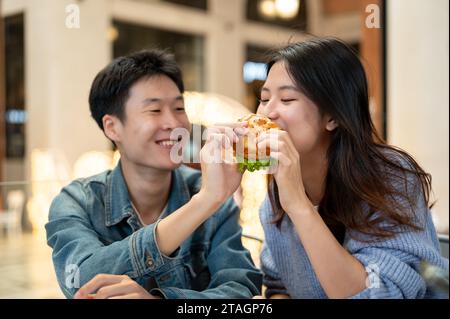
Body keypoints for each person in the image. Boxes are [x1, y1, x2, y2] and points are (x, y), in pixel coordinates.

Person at [45, 49, 262, 299]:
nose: (173, 123)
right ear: (112, 126)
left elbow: (242, 291)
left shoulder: (214, 198)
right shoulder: (76, 201)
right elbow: (80, 282)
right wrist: (203, 203)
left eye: (179, 108)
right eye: (154, 111)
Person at [253, 38, 448, 299]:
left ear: (333, 115)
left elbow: (381, 294)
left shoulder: (391, 178)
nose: (267, 112)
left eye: (287, 99)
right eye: (264, 99)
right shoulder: (277, 196)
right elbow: (279, 286)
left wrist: (299, 205)